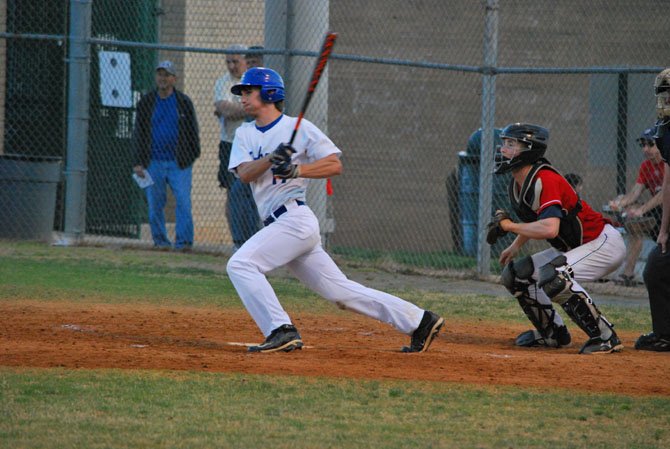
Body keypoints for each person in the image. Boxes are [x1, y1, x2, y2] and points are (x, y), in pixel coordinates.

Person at [226, 67, 444, 353]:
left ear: (269, 93)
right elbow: (244, 174)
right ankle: (420, 321)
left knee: (241, 264)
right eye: (241, 92)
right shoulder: (244, 133)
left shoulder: (299, 128)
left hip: (294, 220)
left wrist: (297, 169)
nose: (242, 96)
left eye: (248, 90)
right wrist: (271, 158)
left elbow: (334, 164)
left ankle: (280, 329)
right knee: (341, 293)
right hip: (279, 226)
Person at [486, 123, 626, 354]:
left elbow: (550, 229)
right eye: (504, 144)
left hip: (602, 243)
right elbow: (537, 219)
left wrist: (509, 226)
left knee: (556, 276)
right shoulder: (518, 182)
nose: (503, 150)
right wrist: (515, 244)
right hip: (577, 247)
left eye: (511, 144)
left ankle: (605, 336)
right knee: (516, 275)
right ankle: (553, 334)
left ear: (529, 150)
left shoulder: (545, 179)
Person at [132, 61, 200, 250]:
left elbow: (193, 132)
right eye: (160, 74)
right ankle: (160, 241)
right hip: (153, 162)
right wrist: (138, 162)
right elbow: (138, 132)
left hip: (179, 163)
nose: (162, 78)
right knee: (155, 204)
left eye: (166, 75)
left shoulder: (183, 102)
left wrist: (191, 155)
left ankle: (184, 242)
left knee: (183, 202)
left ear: (174, 79)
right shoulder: (146, 102)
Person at [635, 68, 670, 352]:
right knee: (656, 270)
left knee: (657, 271)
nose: (665, 101)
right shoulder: (666, 132)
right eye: (663, 94)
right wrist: (664, 229)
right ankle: (665, 334)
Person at [214, 44, 260, 250]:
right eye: (228, 62)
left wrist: (234, 110)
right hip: (229, 144)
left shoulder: (253, 82)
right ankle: (237, 241)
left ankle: (253, 239)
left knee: (251, 193)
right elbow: (225, 109)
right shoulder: (223, 82)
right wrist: (243, 110)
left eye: (236, 61)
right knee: (232, 193)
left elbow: (252, 109)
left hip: (252, 145)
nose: (232, 66)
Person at [607, 126, 664, 286]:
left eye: (651, 144)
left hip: (665, 208)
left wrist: (641, 210)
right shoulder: (646, 166)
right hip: (660, 212)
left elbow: (664, 194)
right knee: (634, 226)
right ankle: (628, 274)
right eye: (643, 145)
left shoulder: (667, 163)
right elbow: (635, 193)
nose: (646, 149)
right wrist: (619, 203)